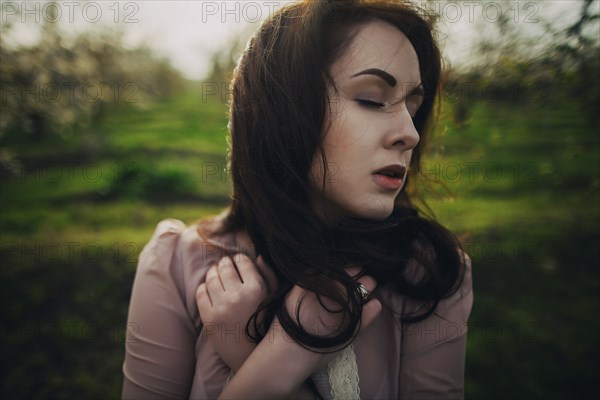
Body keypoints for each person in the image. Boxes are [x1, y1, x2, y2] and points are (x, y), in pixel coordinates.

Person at [121, 0, 473, 399]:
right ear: (282, 112)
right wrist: (285, 354)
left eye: (413, 106)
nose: (409, 133)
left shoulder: (429, 270)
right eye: (372, 99)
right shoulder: (177, 266)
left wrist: (257, 354)